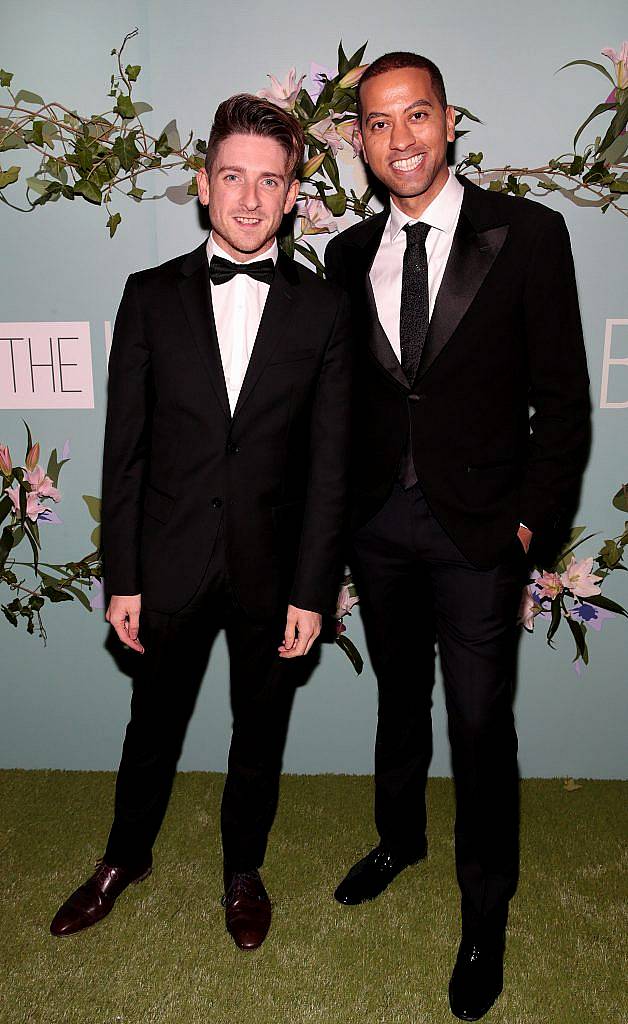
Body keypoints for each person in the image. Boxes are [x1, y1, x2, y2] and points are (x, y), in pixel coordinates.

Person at [50, 94, 352, 951]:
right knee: (152, 726)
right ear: (202, 183)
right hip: (170, 562)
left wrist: (312, 589)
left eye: (270, 181)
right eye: (232, 177)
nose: (250, 199)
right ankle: (123, 857)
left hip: (272, 569)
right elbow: (126, 451)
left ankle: (242, 869)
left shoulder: (322, 309)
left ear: (293, 193)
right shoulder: (148, 296)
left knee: (259, 733)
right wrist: (125, 576)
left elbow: (329, 469)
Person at [325, 52, 590, 1020]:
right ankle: (400, 838)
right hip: (378, 529)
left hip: (481, 531)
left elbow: (561, 402)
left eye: (417, 116)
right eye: (379, 123)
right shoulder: (345, 255)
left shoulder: (526, 233)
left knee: (479, 726)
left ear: (447, 122)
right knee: (399, 702)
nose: (400, 139)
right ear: (358, 141)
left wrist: (529, 524)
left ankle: (484, 914)